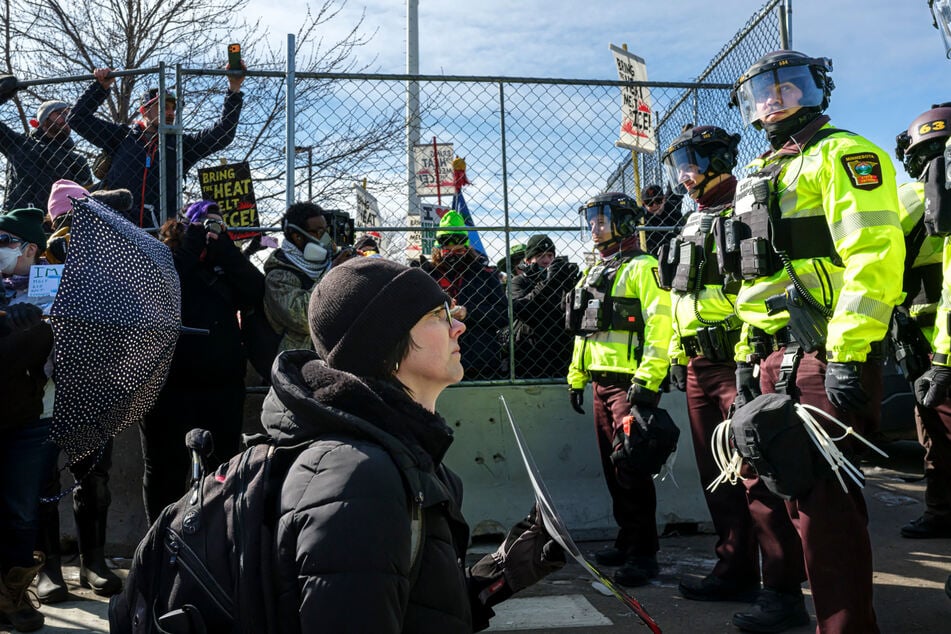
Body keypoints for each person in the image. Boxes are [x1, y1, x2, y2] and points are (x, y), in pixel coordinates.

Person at [265, 257, 564, 631]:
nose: (458, 326)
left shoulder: (402, 452)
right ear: (384, 342)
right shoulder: (359, 480)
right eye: (437, 315)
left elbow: (414, 610)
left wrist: (504, 571)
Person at [728, 50, 904, 633]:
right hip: (772, 352)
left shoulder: (845, 154)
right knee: (769, 490)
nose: (774, 98)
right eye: (763, 90)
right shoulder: (762, 173)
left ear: (817, 90)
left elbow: (874, 256)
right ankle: (783, 601)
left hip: (825, 351)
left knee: (826, 508)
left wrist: (849, 354)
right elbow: (754, 280)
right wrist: (747, 353)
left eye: (789, 85)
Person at [659, 125, 807, 608]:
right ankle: (734, 570)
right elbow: (678, 299)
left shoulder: (749, 206)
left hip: (737, 360)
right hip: (698, 364)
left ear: (719, 160)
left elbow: (759, 287)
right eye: (679, 167)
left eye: (692, 163)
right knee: (718, 476)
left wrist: (746, 357)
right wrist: (678, 353)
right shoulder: (691, 221)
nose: (684, 176)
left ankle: (781, 586)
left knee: (756, 473)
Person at [565, 192, 672, 588]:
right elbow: (585, 332)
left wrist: (648, 380)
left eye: (602, 219)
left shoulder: (644, 267)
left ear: (625, 222)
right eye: (591, 220)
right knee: (615, 468)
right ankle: (628, 540)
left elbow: (662, 326)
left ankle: (644, 554)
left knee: (631, 467)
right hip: (600, 382)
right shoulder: (594, 271)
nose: (594, 227)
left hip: (630, 384)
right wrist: (577, 376)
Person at [139, 200, 265, 523]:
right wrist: (192, 247)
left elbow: (254, 291)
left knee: (222, 469)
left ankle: (215, 543)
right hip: (167, 387)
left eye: (218, 225)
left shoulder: (225, 261)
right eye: (204, 225)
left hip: (220, 385)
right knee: (164, 470)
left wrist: (226, 252)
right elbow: (162, 288)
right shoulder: (164, 256)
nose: (212, 231)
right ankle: (159, 540)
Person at [68, 65, 245, 228]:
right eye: (163, 107)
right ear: (144, 111)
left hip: (161, 234)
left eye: (174, 108)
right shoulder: (123, 136)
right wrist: (100, 87)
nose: (170, 113)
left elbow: (223, 134)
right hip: (118, 229)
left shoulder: (181, 146)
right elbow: (77, 119)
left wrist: (234, 88)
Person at [892, 104, 951, 540]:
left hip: (933, 344)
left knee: (936, 431)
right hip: (930, 339)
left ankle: (941, 512)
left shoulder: (910, 199)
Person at [0, 207, 56, 632]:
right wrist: (11, 326)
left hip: (30, 418)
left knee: (21, 513)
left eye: (5, 241)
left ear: (30, 249)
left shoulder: (57, 289)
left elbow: (61, 361)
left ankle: (13, 595)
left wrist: (42, 327)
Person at [263, 202, 355, 354]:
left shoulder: (330, 262)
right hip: (298, 359)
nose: (325, 238)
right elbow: (306, 319)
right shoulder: (278, 276)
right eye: (318, 232)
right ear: (297, 237)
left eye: (326, 230)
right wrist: (333, 275)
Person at [429, 210, 507, 379]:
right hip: (436, 359)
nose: (452, 253)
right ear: (438, 247)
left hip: (479, 360)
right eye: (447, 248)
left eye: (458, 248)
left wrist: (468, 312)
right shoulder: (427, 275)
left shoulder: (485, 274)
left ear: (466, 246)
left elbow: (504, 314)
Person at [502, 234, 579, 378]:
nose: (546, 260)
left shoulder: (559, 279)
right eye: (540, 256)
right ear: (528, 260)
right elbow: (522, 309)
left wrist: (572, 284)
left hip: (560, 349)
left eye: (550, 255)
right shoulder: (518, 281)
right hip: (529, 352)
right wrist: (549, 283)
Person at [0, 96, 92, 214]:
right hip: (18, 217)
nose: (66, 118)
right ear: (44, 120)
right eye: (60, 113)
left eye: (68, 114)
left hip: (59, 220)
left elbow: (87, 196)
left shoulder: (77, 160)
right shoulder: (21, 144)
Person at [640, 183, 684, 255]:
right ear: (643, 204)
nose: (654, 205)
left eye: (658, 200)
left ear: (664, 199)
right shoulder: (642, 219)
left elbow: (675, 184)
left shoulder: (672, 206)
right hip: (654, 255)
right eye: (649, 202)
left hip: (677, 251)